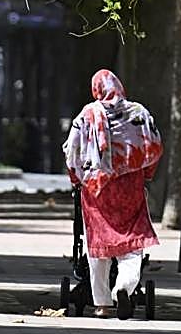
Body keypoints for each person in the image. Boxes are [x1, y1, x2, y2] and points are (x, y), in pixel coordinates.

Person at [63, 68, 163, 319]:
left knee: (99, 246)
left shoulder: (88, 114)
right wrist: (146, 174)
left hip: (98, 190)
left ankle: (102, 304)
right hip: (130, 187)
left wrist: (77, 178)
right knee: (131, 244)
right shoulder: (139, 113)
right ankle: (124, 288)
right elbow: (154, 146)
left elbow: (71, 151)